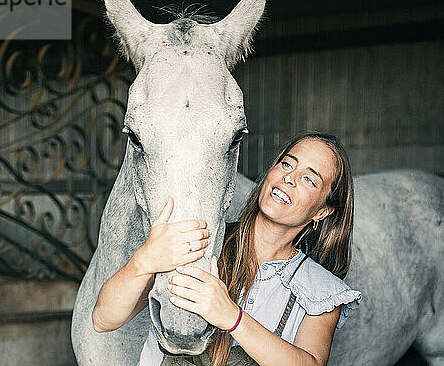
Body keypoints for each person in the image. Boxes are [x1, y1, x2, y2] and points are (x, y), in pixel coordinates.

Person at [92, 132, 362, 366]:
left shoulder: (321, 292)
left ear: (323, 211)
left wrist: (230, 316)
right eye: (287, 164)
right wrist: (145, 260)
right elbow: (103, 320)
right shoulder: (200, 243)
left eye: (309, 179)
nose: (290, 178)